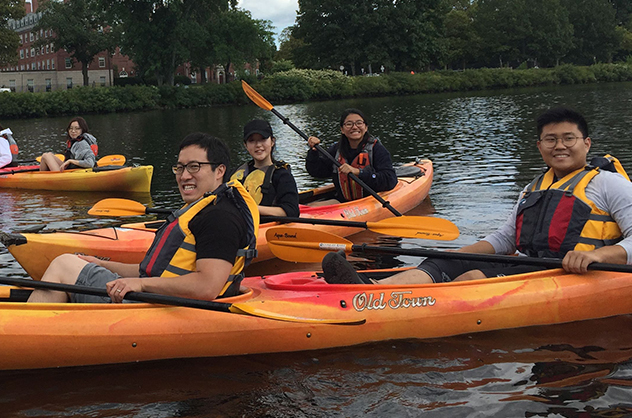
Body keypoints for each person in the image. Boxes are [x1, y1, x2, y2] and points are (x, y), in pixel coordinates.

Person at [323, 107, 632, 285]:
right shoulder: (534, 186)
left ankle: (402, 304)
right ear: (539, 146)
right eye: (551, 139)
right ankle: (373, 288)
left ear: (587, 143)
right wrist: (459, 253)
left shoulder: (608, 184)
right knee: (445, 261)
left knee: (472, 276)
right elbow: (506, 239)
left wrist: (596, 255)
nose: (559, 146)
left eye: (569, 139)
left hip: (575, 273)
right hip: (531, 266)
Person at [27, 133, 259, 303]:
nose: (184, 175)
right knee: (74, 262)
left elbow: (207, 287)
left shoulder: (219, 218)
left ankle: (26, 332)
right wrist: (101, 263)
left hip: (163, 309)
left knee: (63, 264)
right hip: (159, 299)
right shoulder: (205, 208)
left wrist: (140, 284)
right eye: (179, 168)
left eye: (194, 167)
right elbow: (151, 272)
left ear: (219, 171)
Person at [305, 108, 397, 204]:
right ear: (342, 129)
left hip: (372, 201)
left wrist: (359, 172)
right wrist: (313, 151)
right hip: (343, 203)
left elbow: (389, 180)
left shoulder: (377, 149)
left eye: (359, 123)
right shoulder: (336, 150)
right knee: (311, 206)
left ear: (365, 127)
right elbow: (317, 172)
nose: (354, 127)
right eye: (349, 124)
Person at [230, 118, 300, 218]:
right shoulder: (237, 173)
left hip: (266, 228)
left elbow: (292, 211)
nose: (258, 145)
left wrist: (251, 208)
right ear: (245, 145)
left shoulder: (282, 175)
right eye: (252, 140)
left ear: (272, 141)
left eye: (263, 139)